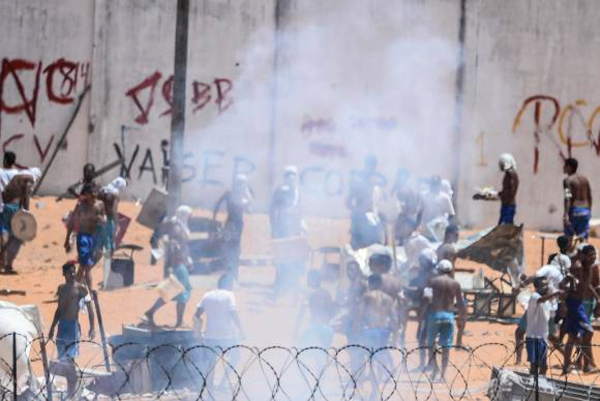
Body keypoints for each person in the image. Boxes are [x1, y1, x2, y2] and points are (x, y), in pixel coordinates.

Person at [48, 262, 95, 397]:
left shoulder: (81, 288)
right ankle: (71, 390)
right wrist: (52, 328)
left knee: (70, 361)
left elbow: (90, 309)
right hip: (62, 327)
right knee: (64, 360)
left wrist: (92, 327)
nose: (73, 274)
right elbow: (58, 310)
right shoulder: (61, 289)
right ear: (64, 274)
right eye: (70, 272)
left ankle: (71, 392)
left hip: (72, 327)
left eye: (74, 271)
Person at [194, 274, 245, 393]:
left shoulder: (207, 295)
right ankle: (222, 384)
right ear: (228, 284)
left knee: (211, 363)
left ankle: (210, 390)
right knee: (235, 356)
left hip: (210, 335)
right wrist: (241, 330)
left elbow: (197, 314)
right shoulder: (229, 295)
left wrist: (198, 331)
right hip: (227, 335)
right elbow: (233, 312)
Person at [144, 206, 194, 328]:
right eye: (189, 216)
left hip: (180, 264)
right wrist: (171, 266)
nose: (191, 218)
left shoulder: (180, 227)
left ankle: (150, 312)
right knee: (182, 291)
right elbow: (173, 246)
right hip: (178, 265)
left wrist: (187, 260)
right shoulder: (177, 229)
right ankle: (179, 322)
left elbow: (182, 247)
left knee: (171, 292)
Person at [515, 257, 565, 364]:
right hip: (551, 308)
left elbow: (536, 276)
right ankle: (569, 358)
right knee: (551, 337)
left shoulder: (548, 268)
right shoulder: (561, 275)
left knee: (519, 332)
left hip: (539, 308)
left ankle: (518, 361)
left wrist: (521, 284)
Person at [355, 274, 398, 398]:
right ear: (381, 284)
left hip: (370, 331)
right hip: (384, 331)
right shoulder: (388, 299)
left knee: (370, 359)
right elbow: (394, 318)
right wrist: (395, 337)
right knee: (380, 359)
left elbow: (359, 314)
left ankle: (371, 388)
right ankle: (376, 389)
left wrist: (357, 332)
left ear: (370, 283)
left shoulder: (366, 296)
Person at [424, 260, 467, 381]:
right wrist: (462, 317)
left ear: (439, 270)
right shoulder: (455, 284)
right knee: (446, 346)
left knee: (431, 344)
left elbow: (426, 298)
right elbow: (460, 303)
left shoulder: (433, 281)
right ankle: (443, 374)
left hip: (435, 315)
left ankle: (435, 368)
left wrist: (422, 312)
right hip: (449, 316)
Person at [269, 166, 306, 298]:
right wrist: (274, 229)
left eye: (293, 176)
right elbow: (273, 211)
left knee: (295, 262)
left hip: (295, 232)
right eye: (288, 176)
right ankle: (277, 293)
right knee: (282, 262)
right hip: (282, 232)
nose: (291, 179)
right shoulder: (280, 192)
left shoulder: (298, 192)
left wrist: (301, 227)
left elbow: (300, 211)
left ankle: (293, 291)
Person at [562, 245, 598, 374]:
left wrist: (597, 298)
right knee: (589, 331)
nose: (593, 258)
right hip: (573, 304)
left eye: (594, 255)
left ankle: (567, 366)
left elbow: (587, 285)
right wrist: (564, 304)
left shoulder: (589, 268)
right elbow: (565, 283)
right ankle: (587, 364)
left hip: (579, 303)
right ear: (584, 256)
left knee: (572, 337)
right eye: (591, 256)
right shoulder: (578, 267)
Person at [65, 183, 106, 289]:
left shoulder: (100, 205)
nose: (94, 194)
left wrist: (101, 219)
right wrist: (68, 239)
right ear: (86, 194)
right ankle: (89, 291)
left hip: (94, 237)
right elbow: (72, 222)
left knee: (83, 266)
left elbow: (104, 220)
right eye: (91, 193)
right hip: (83, 237)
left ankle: (73, 288)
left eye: (95, 192)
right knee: (86, 266)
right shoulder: (81, 206)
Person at [213, 174, 254, 281]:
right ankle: (230, 276)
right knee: (231, 251)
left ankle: (234, 276)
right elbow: (241, 204)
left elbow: (249, 210)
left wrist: (246, 193)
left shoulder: (240, 195)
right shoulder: (231, 195)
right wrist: (215, 221)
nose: (242, 186)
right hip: (231, 225)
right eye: (240, 183)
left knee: (236, 251)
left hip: (238, 226)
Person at [1, 168, 40, 274]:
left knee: (6, 235)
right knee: (17, 238)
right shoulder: (29, 179)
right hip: (16, 209)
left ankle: (2, 261)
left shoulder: (17, 177)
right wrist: (26, 213)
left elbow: (5, 192)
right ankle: (8, 265)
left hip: (6, 207)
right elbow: (26, 196)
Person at [525, 276, 563, 376]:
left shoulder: (547, 302)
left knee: (543, 366)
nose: (546, 287)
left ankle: (541, 382)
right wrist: (555, 294)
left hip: (542, 337)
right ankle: (533, 382)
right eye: (543, 285)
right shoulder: (535, 297)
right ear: (537, 287)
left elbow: (552, 314)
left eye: (547, 284)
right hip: (533, 337)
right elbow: (541, 300)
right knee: (534, 365)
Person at [346, 155, 385, 249]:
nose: (371, 168)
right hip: (359, 222)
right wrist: (357, 213)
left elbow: (377, 204)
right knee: (357, 249)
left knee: (374, 249)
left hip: (373, 224)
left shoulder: (376, 184)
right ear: (366, 165)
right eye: (370, 165)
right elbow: (348, 202)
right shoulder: (358, 182)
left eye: (373, 166)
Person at [294, 269, 336, 348]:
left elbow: (301, 314)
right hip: (327, 330)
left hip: (314, 330)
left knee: (303, 352)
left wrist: (296, 331)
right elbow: (332, 311)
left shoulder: (308, 294)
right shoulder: (326, 293)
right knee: (322, 353)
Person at [563, 158, 592, 241]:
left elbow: (568, 198)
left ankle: (568, 249)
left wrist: (566, 214)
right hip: (585, 211)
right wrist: (589, 211)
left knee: (568, 239)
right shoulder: (585, 179)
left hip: (574, 211)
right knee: (583, 240)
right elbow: (589, 197)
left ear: (569, 167)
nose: (563, 168)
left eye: (565, 166)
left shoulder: (567, 181)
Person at [97, 177, 127, 254]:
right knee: (109, 247)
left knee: (98, 246)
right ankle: (108, 260)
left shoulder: (102, 191)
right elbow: (113, 211)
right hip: (108, 222)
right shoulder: (114, 194)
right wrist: (117, 224)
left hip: (99, 221)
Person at [420, 175, 455, 241]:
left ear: (439, 185)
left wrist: (446, 227)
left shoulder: (445, 197)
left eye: (436, 184)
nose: (434, 186)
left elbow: (451, 214)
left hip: (438, 231)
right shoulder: (423, 195)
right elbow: (419, 212)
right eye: (433, 184)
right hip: (425, 231)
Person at [497, 154, 519, 225]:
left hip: (508, 206)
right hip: (506, 205)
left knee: (504, 227)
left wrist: (502, 195)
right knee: (506, 227)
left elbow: (511, 192)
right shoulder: (509, 174)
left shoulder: (511, 175)